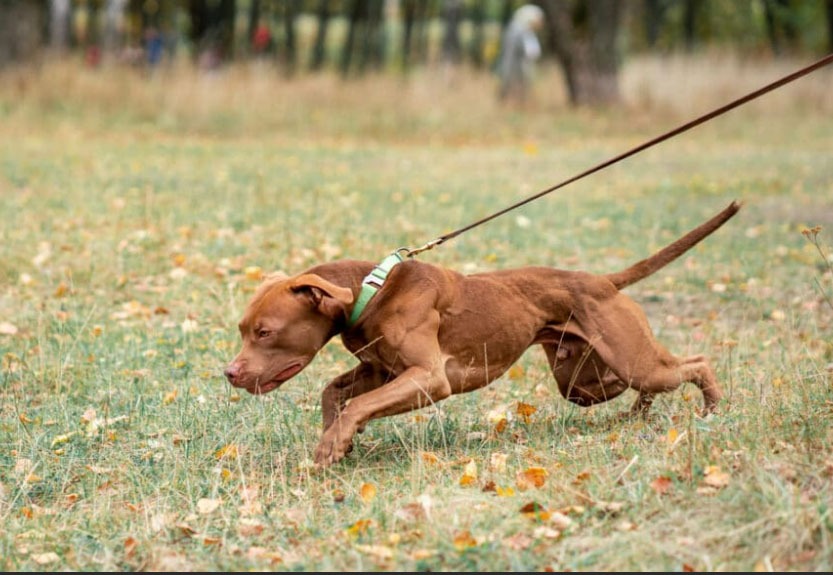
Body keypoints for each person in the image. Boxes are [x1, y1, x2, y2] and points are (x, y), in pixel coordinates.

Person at [497, 4, 545, 104]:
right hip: (516, 67)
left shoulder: (520, 29)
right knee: (513, 88)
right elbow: (530, 51)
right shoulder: (519, 30)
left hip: (516, 67)